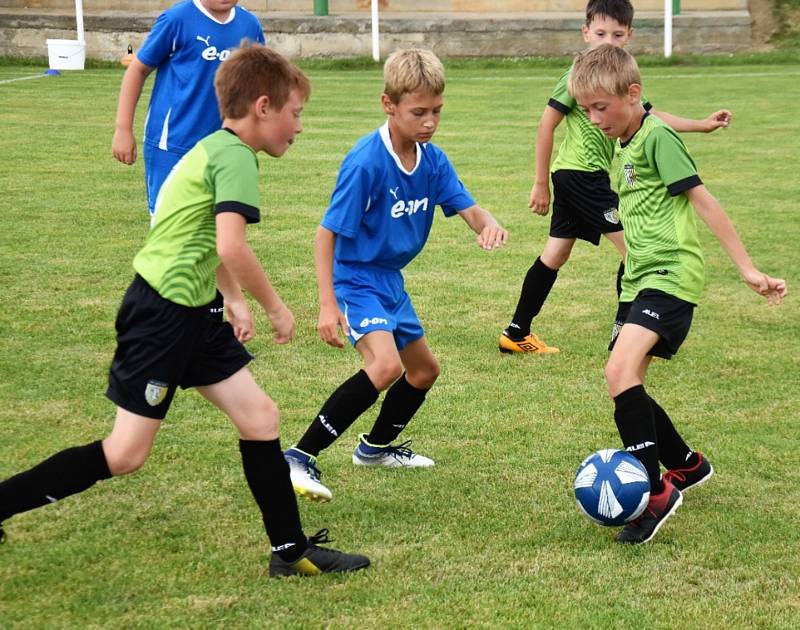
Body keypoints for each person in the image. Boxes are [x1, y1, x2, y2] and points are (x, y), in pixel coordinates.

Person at [0, 44, 370, 578]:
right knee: (126, 454)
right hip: (163, 314)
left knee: (260, 417)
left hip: (196, 311)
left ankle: (290, 553)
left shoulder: (216, 148)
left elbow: (201, 235)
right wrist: (275, 307)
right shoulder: (236, 157)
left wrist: (233, 301)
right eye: (297, 113)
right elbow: (231, 246)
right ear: (263, 107)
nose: (300, 126)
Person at [568, 44, 786, 544]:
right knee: (628, 384)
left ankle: (653, 494)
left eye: (601, 107)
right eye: (587, 109)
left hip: (671, 274)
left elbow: (703, 201)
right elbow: (650, 118)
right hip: (639, 276)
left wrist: (748, 269)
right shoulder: (629, 135)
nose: (594, 118)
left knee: (618, 371)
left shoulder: (656, 137)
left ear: (633, 95)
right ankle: (686, 464)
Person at [284, 48, 508, 502]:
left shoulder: (432, 159)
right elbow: (325, 235)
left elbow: (467, 207)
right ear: (389, 105)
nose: (429, 122)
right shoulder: (366, 163)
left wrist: (487, 224)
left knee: (423, 371)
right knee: (385, 367)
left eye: (437, 111)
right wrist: (328, 304)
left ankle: (375, 448)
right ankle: (298, 456)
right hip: (354, 278)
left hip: (389, 281)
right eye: (418, 112)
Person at [498, 0, 733, 354]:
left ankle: (516, 332)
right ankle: (625, 335)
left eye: (617, 34)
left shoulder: (617, 81)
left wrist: (702, 125)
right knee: (636, 251)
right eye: (600, 33)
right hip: (581, 177)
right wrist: (539, 182)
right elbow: (546, 124)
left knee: (555, 255)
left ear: (629, 36)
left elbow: (652, 116)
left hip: (577, 178)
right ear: (586, 32)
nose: (608, 40)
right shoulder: (577, 77)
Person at [112, 0, 265, 219]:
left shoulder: (249, 25)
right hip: (173, 145)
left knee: (215, 227)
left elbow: (259, 79)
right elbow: (138, 69)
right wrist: (123, 128)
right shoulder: (176, 20)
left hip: (224, 147)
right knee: (170, 226)